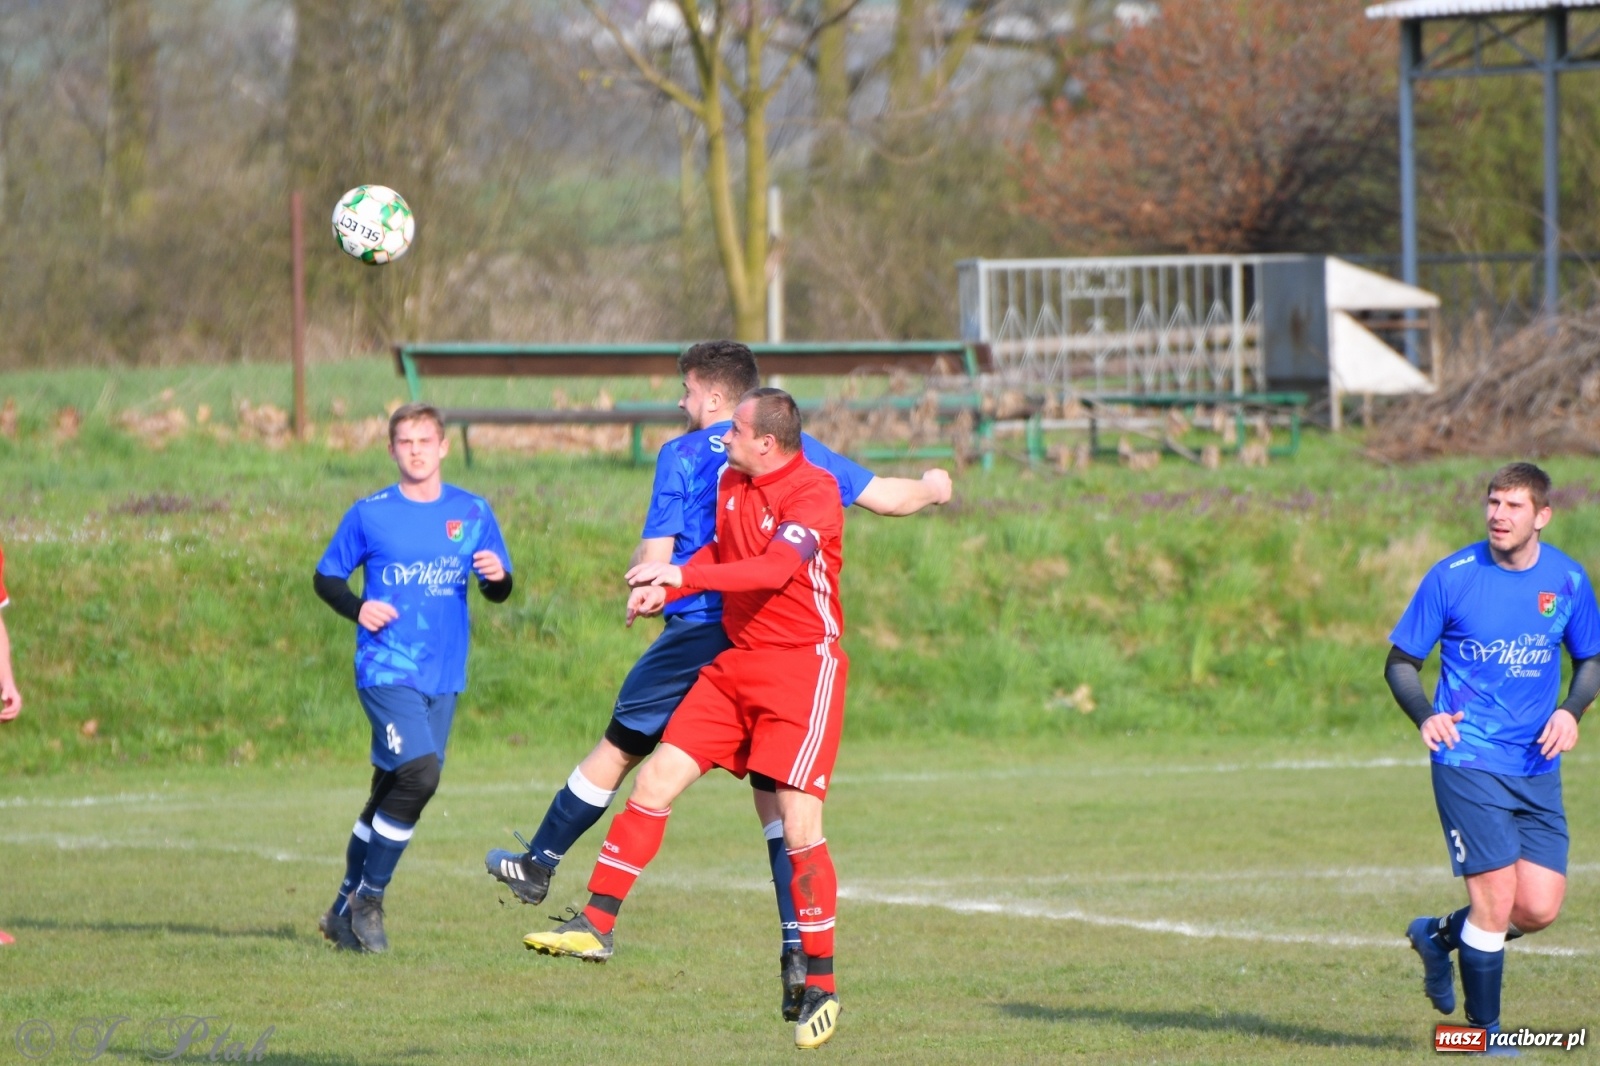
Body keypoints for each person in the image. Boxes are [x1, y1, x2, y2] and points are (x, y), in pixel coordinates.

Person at [484, 340, 950, 1019]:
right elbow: (878, 499)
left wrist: (672, 579)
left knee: (648, 757)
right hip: (734, 653)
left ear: (759, 432)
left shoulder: (801, 481)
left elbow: (752, 566)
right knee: (674, 783)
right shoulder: (745, 471)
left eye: (721, 420)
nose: (705, 426)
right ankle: (600, 923)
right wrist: (934, 488)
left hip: (781, 658)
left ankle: (812, 971)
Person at [524, 388, 851, 1049]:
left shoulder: (813, 492)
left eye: (735, 428)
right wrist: (666, 581)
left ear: (769, 441)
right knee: (653, 782)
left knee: (798, 827)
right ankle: (595, 924)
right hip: (736, 667)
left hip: (799, 673)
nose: (721, 435)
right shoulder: (732, 479)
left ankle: (822, 980)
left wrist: (679, 573)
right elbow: (724, 561)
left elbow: (768, 569)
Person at [1386, 462, 1599, 1048]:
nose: (1498, 515)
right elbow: (1400, 663)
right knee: (1496, 899)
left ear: (1542, 516)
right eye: (1493, 503)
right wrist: (1427, 714)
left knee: (1536, 909)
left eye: (1513, 506)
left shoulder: (1570, 580)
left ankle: (1437, 935)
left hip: (1536, 765)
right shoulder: (1452, 576)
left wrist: (1570, 710)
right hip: (1468, 758)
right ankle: (1483, 1037)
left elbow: (1590, 660)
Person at [314, 402, 513, 953]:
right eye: (406, 442)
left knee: (391, 790)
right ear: (392, 450)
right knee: (421, 775)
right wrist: (358, 609)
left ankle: (338, 913)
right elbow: (326, 576)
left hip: (443, 672)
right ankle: (369, 900)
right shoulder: (369, 513)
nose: (417, 450)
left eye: (426, 440)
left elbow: (499, 586)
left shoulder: (472, 511)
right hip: (385, 667)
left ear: (444, 446)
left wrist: (497, 578)